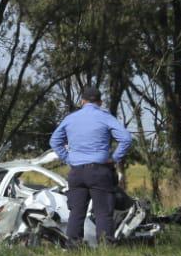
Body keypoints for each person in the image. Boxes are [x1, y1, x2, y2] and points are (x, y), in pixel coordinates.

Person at [48, 85, 132, 245]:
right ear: (100, 102)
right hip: (99, 171)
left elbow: (54, 141)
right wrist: (114, 158)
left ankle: (73, 247)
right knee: (103, 213)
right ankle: (105, 249)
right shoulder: (105, 117)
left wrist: (68, 159)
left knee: (76, 213)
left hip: (76, 172)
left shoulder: (71, 118)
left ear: (82, 101)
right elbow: (126, 139)